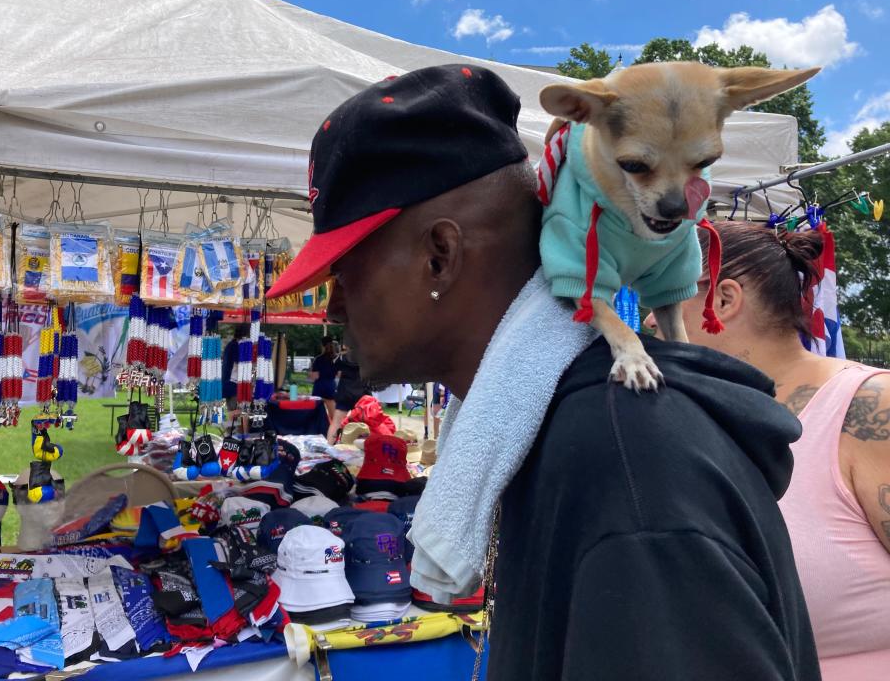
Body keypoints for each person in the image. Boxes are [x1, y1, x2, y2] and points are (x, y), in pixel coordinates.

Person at [265, 65, 819, 680]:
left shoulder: (624, 465)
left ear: (439, 256)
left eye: (346, 271)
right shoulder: (558, 431)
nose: (334, 305)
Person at [646, 221, 890, 680]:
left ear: (723, 300)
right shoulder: (694, 416)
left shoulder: (869, 410)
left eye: (660, 296)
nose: (648, 320)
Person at [327, 344, 369, 443]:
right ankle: (365, 447)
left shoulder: (342, 358)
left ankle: (330, 445)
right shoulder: (367, 357)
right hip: (362, 392)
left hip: (344, 392)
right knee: (365, 423)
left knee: (336, 422)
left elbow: (333, 369)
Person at [222, 323, 249, 414]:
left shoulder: (231, 345)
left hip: (228, 383)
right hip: (232, 384)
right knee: (236, 413)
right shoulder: (236, 346)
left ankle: (231, 428)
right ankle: (233, 428)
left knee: (233, 412)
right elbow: (239, 362)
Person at [309, 336, 338, 418]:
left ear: (322, 346)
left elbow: (315, 376)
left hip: (319, 387)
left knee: (315, 415)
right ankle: (333, 430)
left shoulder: (318, 359)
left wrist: (309, 374)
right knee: (333, 416)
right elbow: (339, 374)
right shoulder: (336, 358)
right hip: (330, 386)